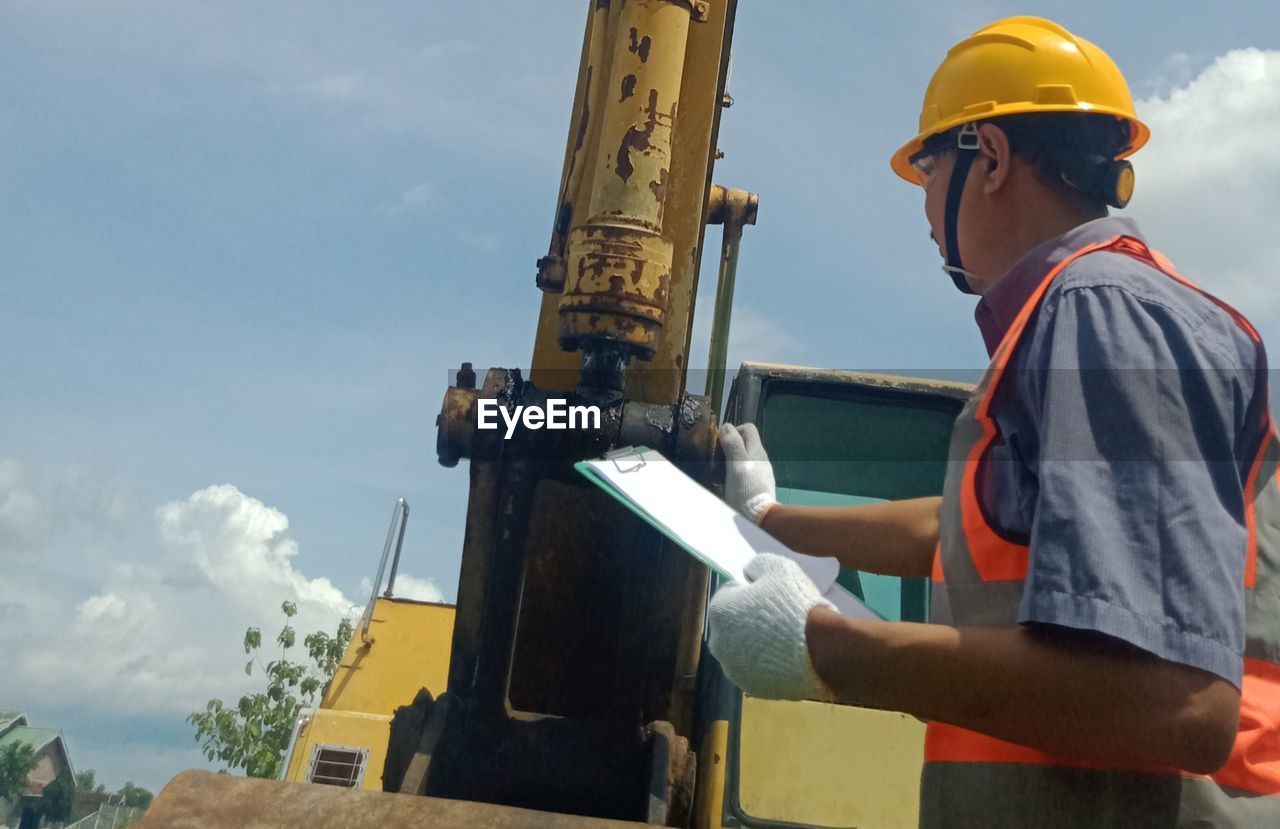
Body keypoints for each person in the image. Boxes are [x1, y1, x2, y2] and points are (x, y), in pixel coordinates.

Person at [706, 16, 1280, 827]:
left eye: (930, 169)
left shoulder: (1101, 313)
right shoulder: (1076, 317)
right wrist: (768, 519)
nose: (925, 212)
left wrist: (826, 649)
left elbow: (1175, 699)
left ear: (994, 158)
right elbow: (970, 533)